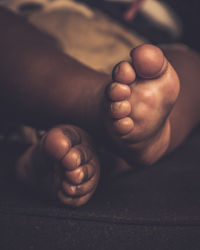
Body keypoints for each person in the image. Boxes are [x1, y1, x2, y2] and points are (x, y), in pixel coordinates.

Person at [1, 4, 200, 207]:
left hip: (137, 46)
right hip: (40, 24)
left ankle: (97, 152)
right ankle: (98, 108)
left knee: (192, 67)